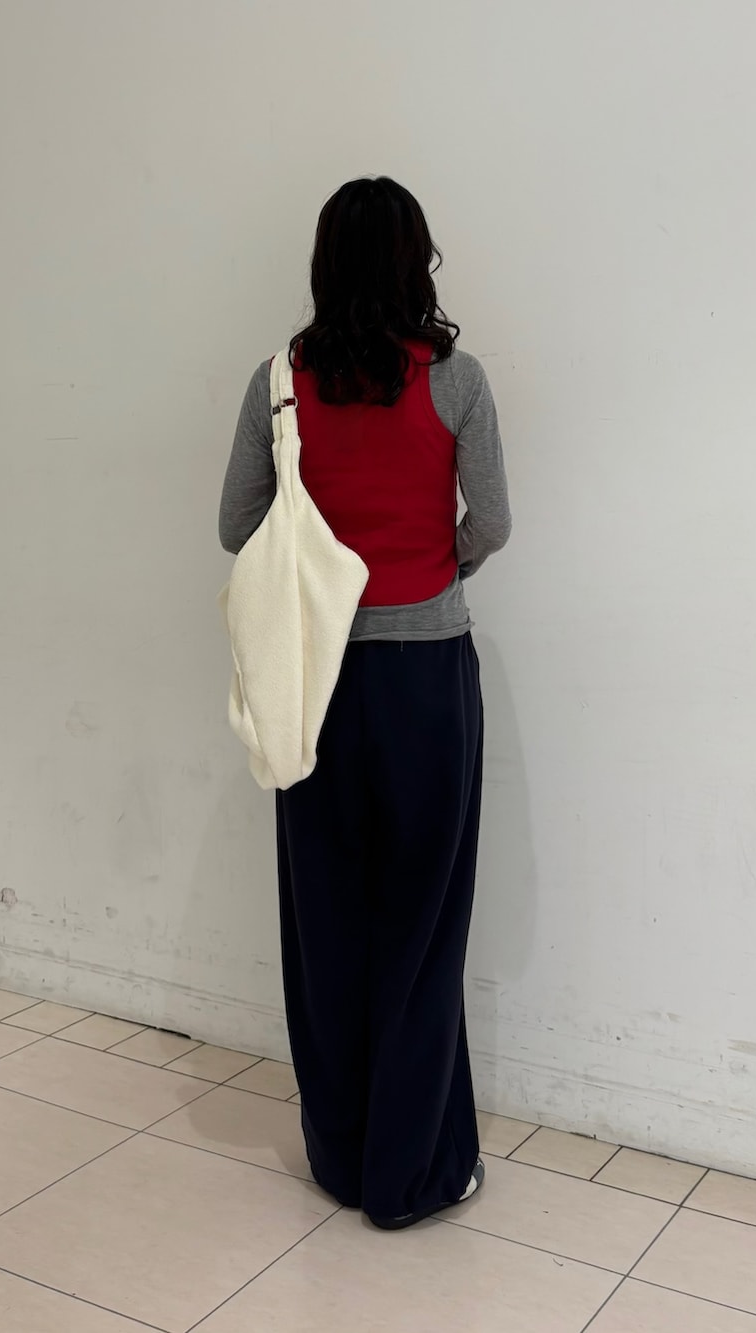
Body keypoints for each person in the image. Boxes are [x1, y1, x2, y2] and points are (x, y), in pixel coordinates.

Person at [218, 176, 511, 1229]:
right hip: (426, 683)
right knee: (422, 929)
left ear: (324, 264)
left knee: (329, 925)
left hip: (316, 682)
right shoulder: (458, 380)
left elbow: (236, 525)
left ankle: (340, 1161)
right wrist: (436, 567)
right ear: (415, 261)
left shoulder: (279, 383)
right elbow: (494, 523)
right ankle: (415, 1173)